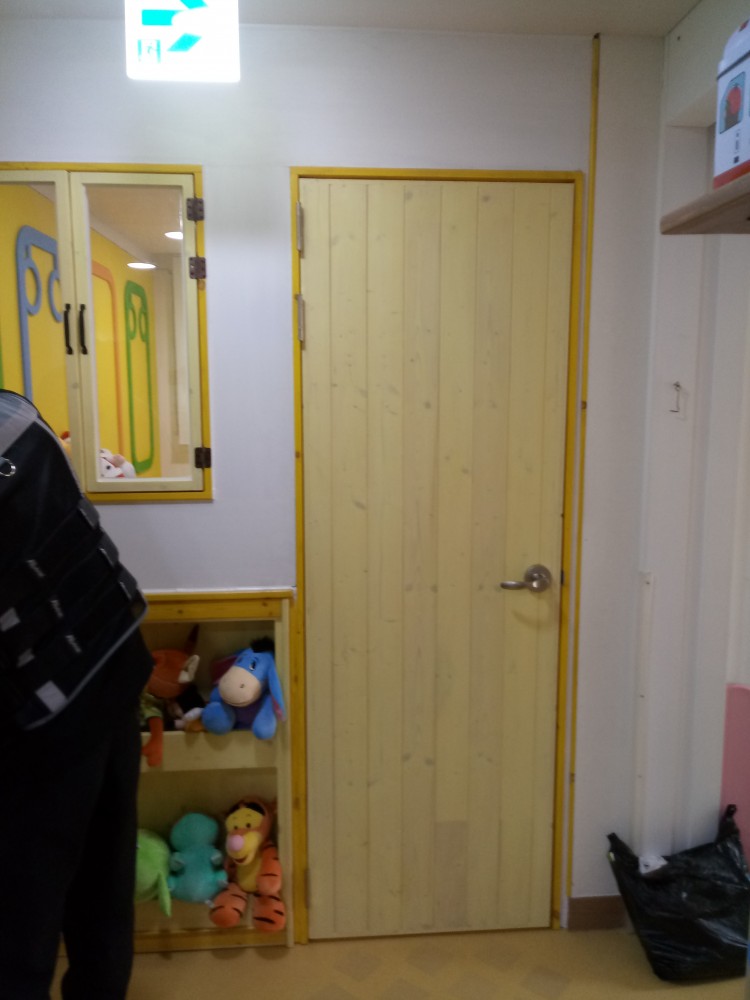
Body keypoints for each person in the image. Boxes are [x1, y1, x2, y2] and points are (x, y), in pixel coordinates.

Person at [0, 390, 153, 1000]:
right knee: (103, 889)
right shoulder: (18, 415)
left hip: (45, 715)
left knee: (22, 923)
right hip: (114, 660)